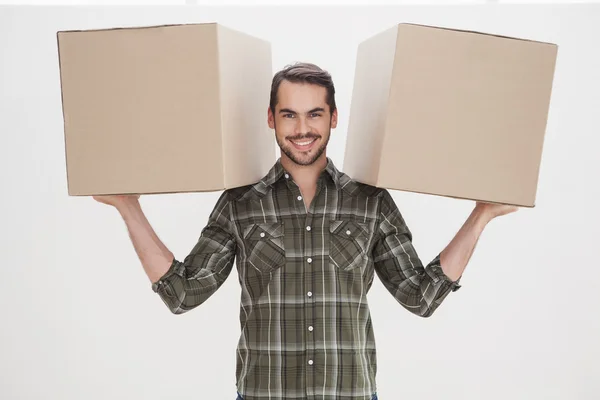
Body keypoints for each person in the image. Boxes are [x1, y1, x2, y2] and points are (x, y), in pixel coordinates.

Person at [94, 62, 518, 400]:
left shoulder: (369, 202)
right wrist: (128, 208)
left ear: (333, 118)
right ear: (271, 119)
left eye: (314, 114)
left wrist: (481, 215)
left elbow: (421, 296)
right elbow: (182, 293)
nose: (302, 129)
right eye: (289, 115)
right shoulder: (241, 204)